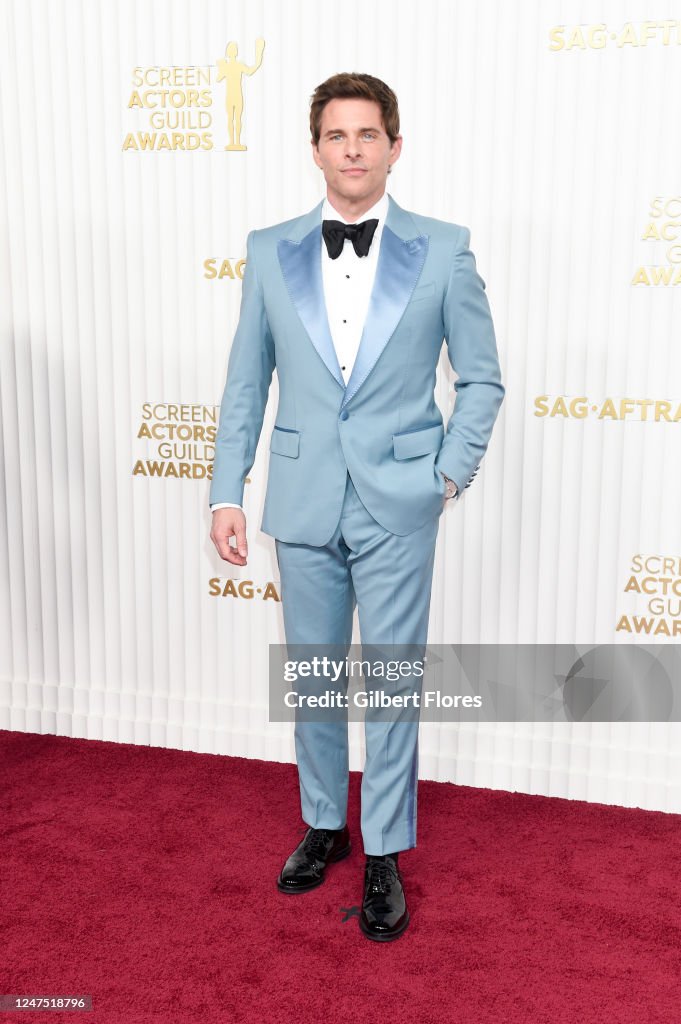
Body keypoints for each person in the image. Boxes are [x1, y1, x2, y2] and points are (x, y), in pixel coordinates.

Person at [209, 72, 504, 941]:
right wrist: (227, 488)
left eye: (367, 135)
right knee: (311, 676)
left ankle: (384, 851)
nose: (351, 149)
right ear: (315, 149)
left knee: (391, 681)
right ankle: (324, 825)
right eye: (336, 135)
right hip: (300, 496)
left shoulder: (444, 248)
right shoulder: (269, 249)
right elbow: (243, 383)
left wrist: (444, 477)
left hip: (399, 501)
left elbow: (481, 379)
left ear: (393, 147)